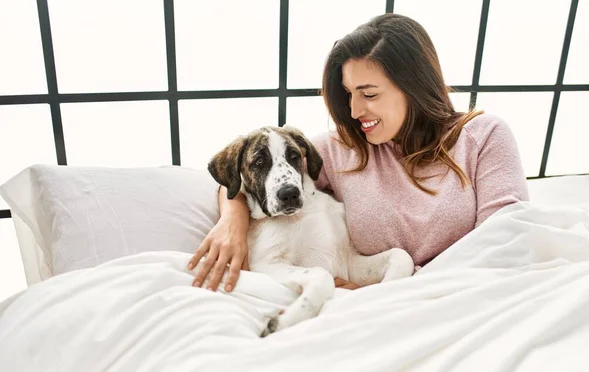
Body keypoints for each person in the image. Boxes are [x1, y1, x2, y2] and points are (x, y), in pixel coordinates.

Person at [187, 13, 529, 291]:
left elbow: (507, 240)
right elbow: (250, 173)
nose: (353, 111)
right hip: (376, 308)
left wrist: (410, 289)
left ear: (413, 86)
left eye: (369, 94)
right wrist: (232, 220)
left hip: (465, 295)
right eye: (348, 94)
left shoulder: (485, 136)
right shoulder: (337, 151)